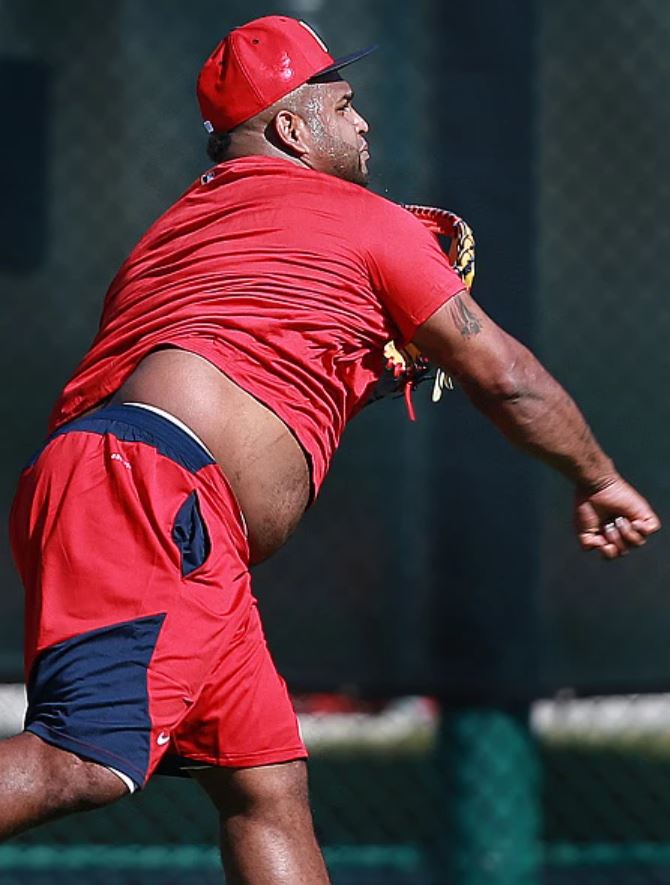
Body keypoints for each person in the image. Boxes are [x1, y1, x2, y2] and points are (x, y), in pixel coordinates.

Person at [4, 13, 660, 884]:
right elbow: (507, 378)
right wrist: (598, 476)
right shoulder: (358, 217)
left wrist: (349, 364)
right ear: (290, 129)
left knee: (264, 787)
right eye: (343, 106)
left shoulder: (172, 236)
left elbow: (240, 348)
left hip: (127, 490)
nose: (363, 123)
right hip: (156, 490)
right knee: (83, 759)